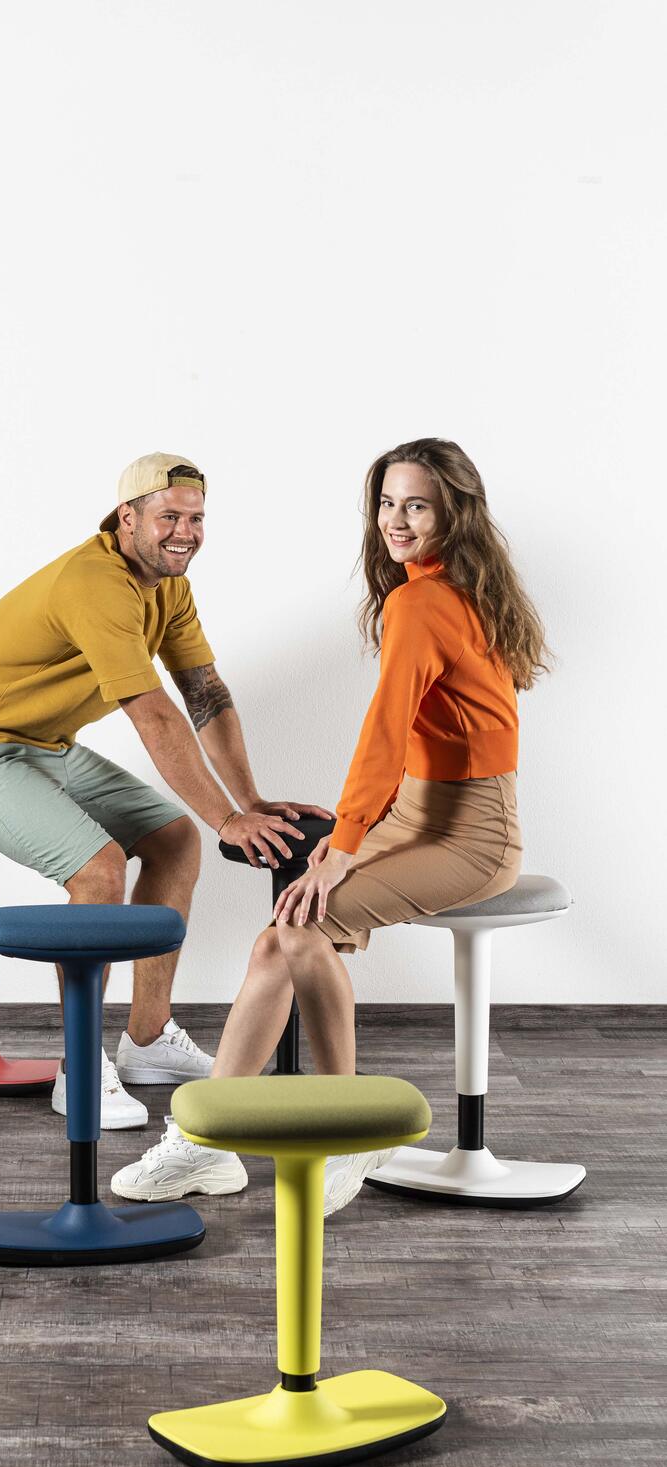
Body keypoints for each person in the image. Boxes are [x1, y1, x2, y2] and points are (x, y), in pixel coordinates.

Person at [113, 437, 548, 1210]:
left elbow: (383, 736)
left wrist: (340, 849)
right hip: (417, 813)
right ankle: (207, 1143)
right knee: (278, 936)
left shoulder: (423, 601)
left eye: (416, 505)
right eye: (386, 503)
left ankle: (339, 1130)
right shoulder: (452, 585)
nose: (396, 520)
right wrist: (348, 840)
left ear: (452, 512)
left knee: (302, 925)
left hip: (469, 835)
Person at [0, 452, 332, 1128]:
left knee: (175, 838)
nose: (185, 533)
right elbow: (154, 715)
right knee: (99, 867)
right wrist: (226, 819)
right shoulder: (96, 583)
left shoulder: (168, 586)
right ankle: (78, 1067)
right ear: (126, 518)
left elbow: (204, 692)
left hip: (45, 748)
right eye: (169, 517)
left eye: (196, 518)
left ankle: (148, 1041)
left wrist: (248, 802)